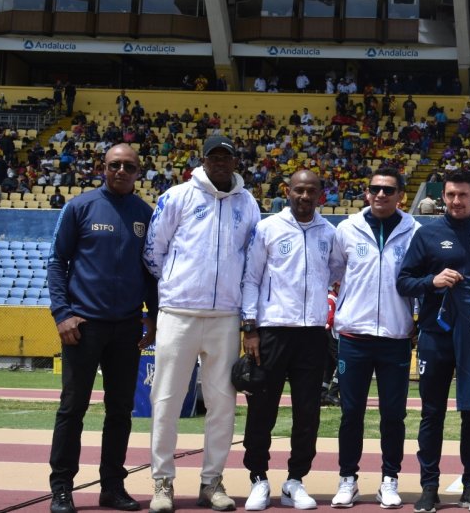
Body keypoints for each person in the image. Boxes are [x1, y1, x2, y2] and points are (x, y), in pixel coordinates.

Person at [143, 135, 261, 513]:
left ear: (236, 161)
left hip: (225, 317)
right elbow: (153, 250)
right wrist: (177, 286)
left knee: (223, 404)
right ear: (203, 160)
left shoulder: (248, 202)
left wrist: (241, 311)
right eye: (215, 156)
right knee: (166, 400)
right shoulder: (177, 196)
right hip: (178, 313)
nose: (221, 162)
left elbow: (252, 260)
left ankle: (212, 482)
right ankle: (162, 482)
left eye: (227, 156)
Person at [47, 144, 157, 513]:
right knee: (72, 408)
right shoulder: (80, 207)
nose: (121, 171)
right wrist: (62, 314)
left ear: (139, 171)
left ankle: (112, 486)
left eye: (129, 166)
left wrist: (153, 316)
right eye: (115, 165)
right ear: (103, 168)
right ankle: (62, 487)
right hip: (83, 325)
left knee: (120, 410)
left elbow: (150, 273)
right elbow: (56, 262)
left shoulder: (146, 214)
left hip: (126, 327)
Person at [397, 171, 470, 513]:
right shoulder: (426, 235)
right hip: (436, 336)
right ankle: (429, 486)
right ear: (442, 197)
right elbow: (404, 281)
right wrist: (433, 280)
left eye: (462, 195)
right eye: (450, 195)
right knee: (432, 414)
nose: (456, 201)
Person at [239, 170, 344, 510]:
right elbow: (251, 279)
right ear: (287, 191)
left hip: (312, 334)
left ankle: (295, 480)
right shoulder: (267, 229)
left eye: (311, 191)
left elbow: (336, 274)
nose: (304, 196)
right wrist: (250, 328)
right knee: (261, 410)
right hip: (271, 332)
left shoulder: (329, 233)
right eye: (298, 190)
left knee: (308, 413)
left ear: (321, 195)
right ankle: (258, 478)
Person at [330, 166, 421, 508]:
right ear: (367, 193)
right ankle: (347, 478)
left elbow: (418, 282)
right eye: (375, 189)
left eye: (388, 190)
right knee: (351, 412)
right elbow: (335, 272)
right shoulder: (347, 229)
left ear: (401, 195)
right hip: (354, 335)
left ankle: (389, 478)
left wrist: (414, 320)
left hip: (395, 337)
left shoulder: (414, 231)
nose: (381, 194)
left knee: (393, 414)